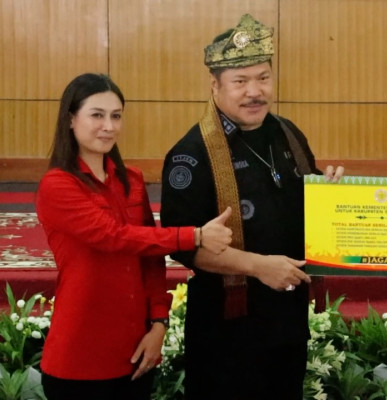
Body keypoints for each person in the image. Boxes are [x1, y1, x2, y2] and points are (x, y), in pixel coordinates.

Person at [160, 14, 343, 400]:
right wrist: (259, 266)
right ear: (215, 85)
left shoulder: (288, 133)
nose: (254, 92)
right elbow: (184, 245)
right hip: (226, 329)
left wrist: (332, 197)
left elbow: (305, 207)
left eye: (263, 78)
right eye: (240, 81)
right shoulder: (191, 154)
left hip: (287, 318)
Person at [35, 73, 232, 400]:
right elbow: (114, 237)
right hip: (78, 357)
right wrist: (195, 236)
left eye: (116, 116)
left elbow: (150, 260)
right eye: (97, 115)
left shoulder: (132, 180)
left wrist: (159, 323)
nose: (108, 126)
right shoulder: (58, 184)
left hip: (135, 354)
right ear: (70, 119)